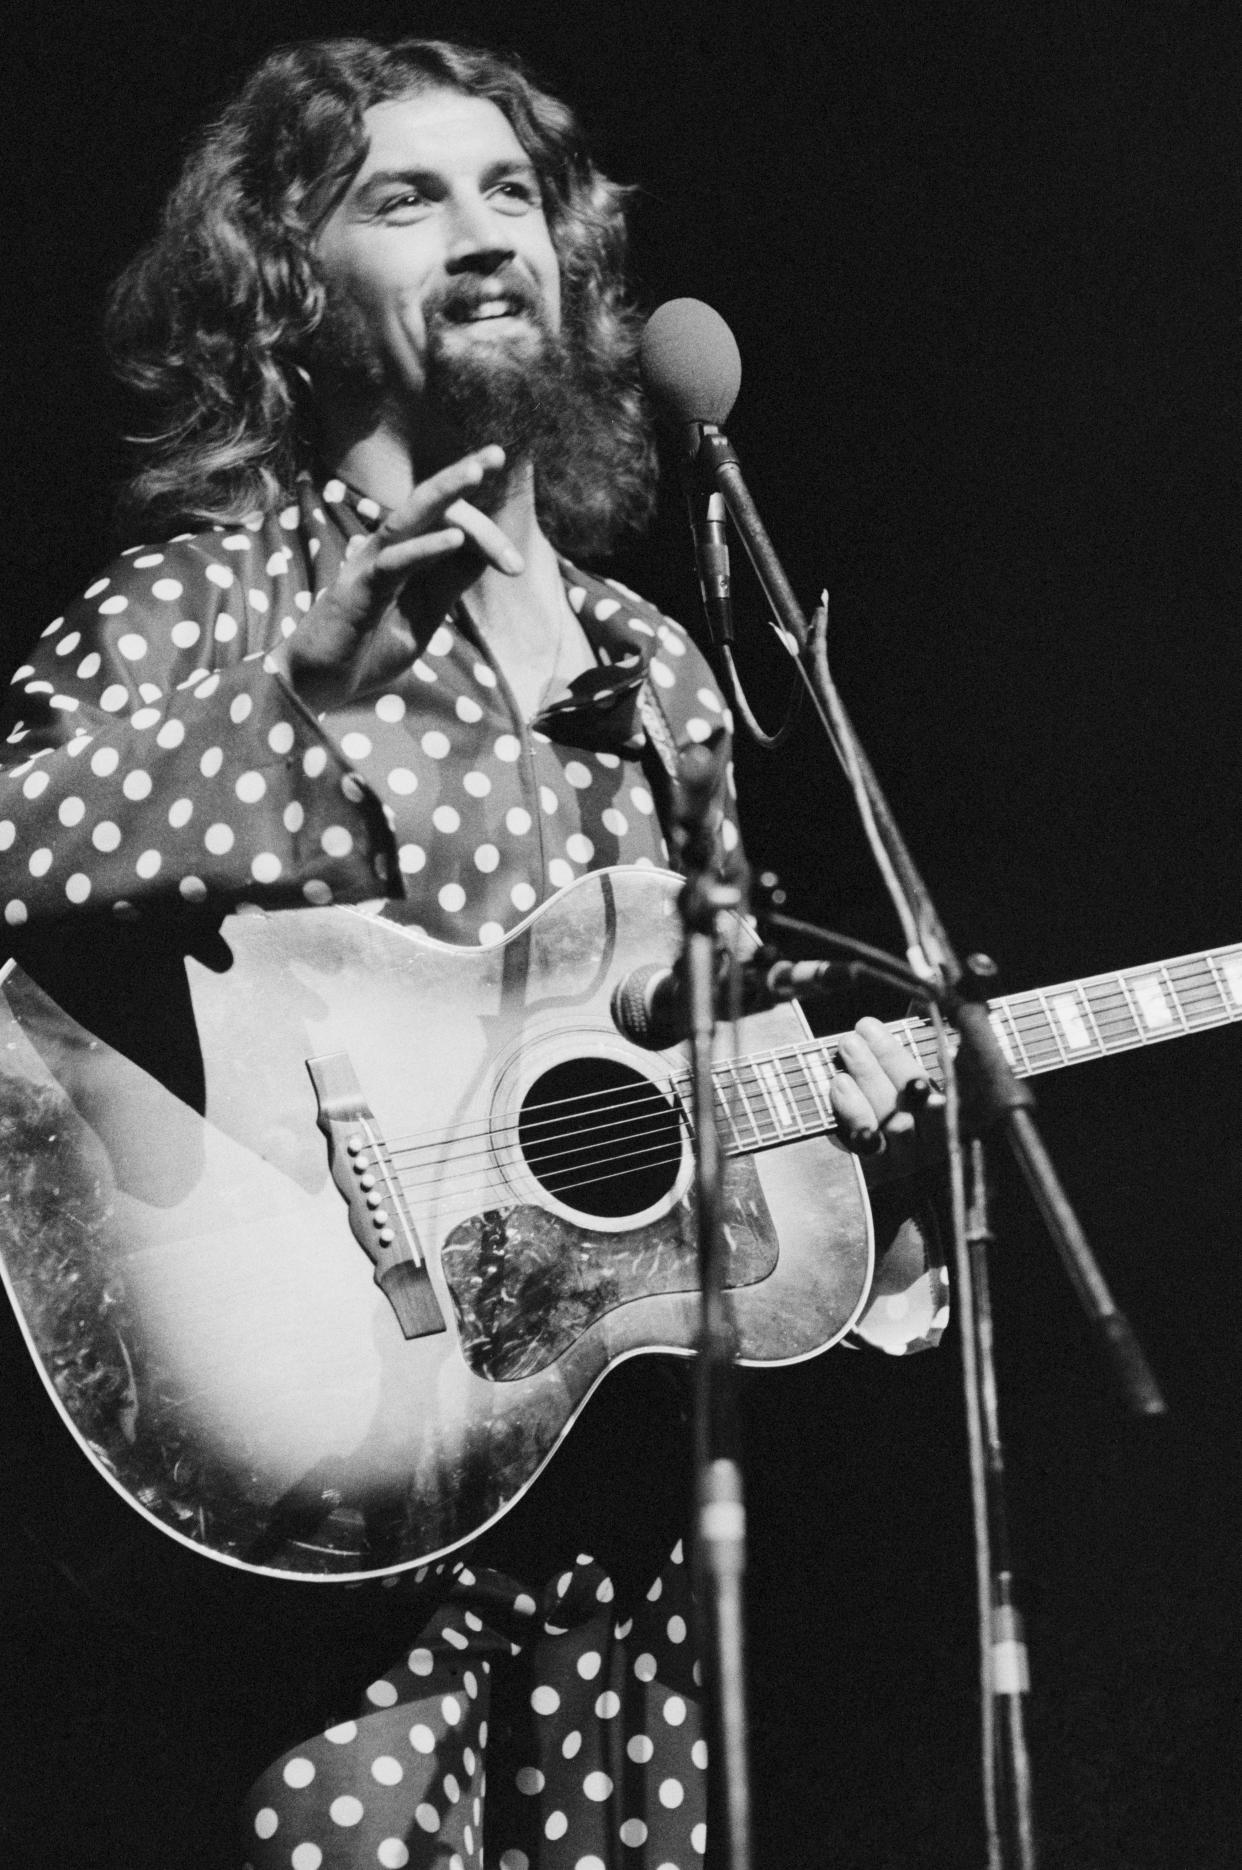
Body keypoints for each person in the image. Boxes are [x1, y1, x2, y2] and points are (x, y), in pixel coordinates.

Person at [0, 36, 945, 1870]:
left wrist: (851, 1139)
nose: (485, 230)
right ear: (287, 280)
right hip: (316, 1502)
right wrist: (291, 699)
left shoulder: (658, 666)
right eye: (404, 196)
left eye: (512, 190)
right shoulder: (216, 597)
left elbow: (700, 1120)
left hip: (611, 1514)